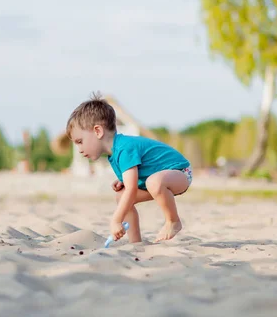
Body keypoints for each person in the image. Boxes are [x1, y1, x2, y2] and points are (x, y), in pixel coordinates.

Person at [66, 93, 193, 243]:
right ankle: (135, 242)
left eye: (80, 141)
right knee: (121, 196)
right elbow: (131, 182)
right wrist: (122, 181)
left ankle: (173, 221)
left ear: (98, 131)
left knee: (152, 183)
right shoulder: (114, 154)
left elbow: (133, 188)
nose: (79, 149)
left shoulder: (124, 148)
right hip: (159, 181)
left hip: (180, 173)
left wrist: (115, 220)